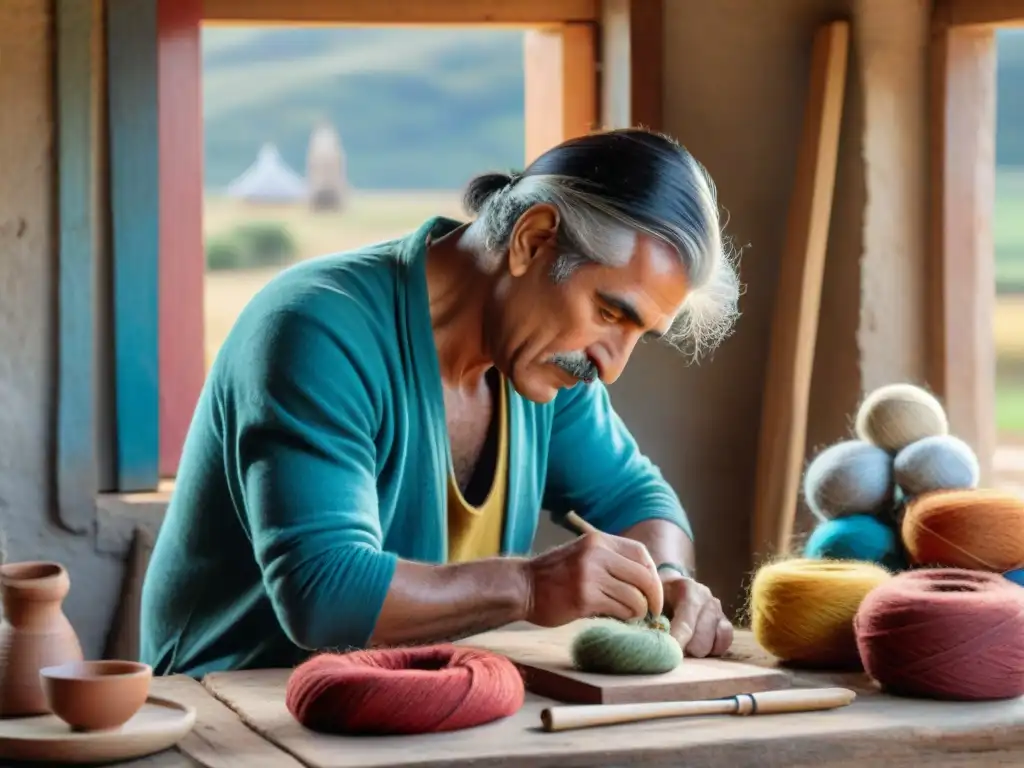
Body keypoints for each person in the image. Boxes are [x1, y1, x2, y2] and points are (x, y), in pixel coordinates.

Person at [139, 128, 742, 677]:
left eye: (640, 335)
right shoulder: (316, 330)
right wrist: (530, 588)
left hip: (412, 716)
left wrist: (665, 579)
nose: (611, 367)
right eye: (610, 313)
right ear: (533, 240)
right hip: (236, 718)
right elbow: (326, 597)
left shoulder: (541, 365)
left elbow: (638, 500)